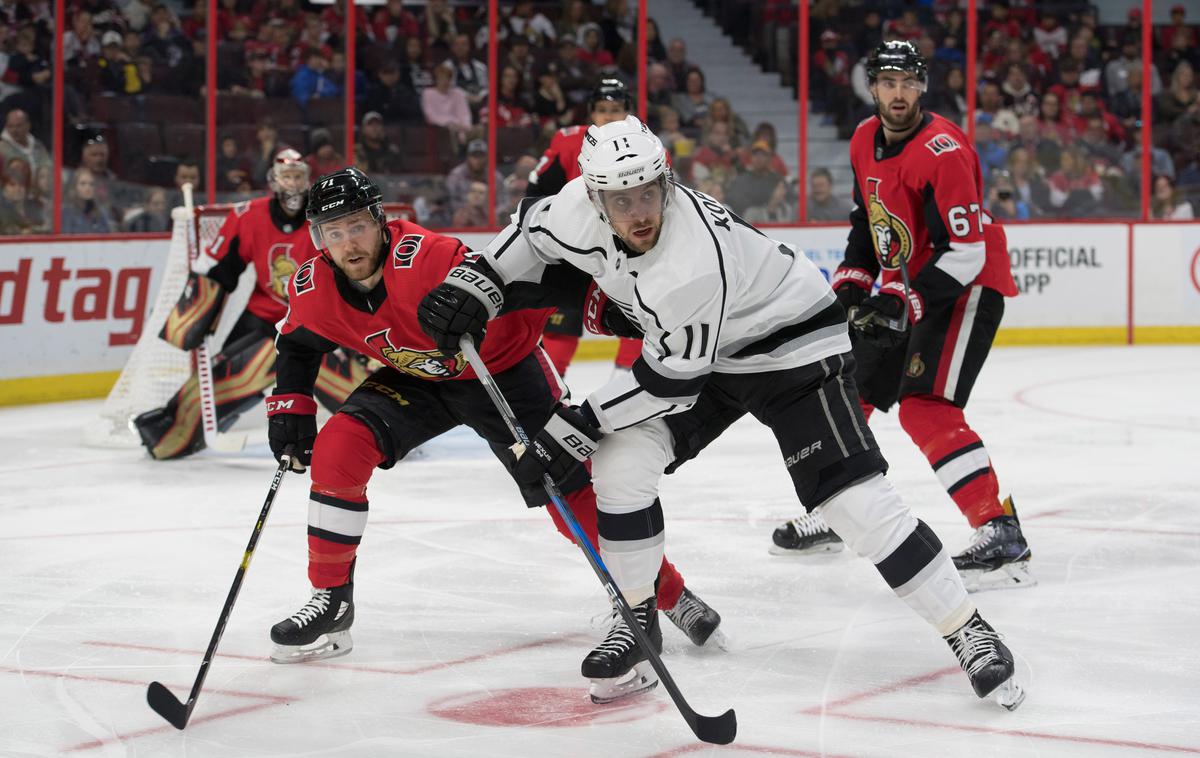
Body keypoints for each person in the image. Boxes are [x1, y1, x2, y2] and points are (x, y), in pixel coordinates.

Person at [417, 113, 1026, 711]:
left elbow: (672, 381)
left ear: (667, 181)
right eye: (620, 199)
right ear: (594, 194)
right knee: (620, 469)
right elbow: (526, 237)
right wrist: (478, 282)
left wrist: (576, 424)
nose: (638, 212)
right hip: (700, 353)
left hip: (789, 346)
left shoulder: (689, 260)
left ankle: (966, 628)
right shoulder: (574, 204)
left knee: (852, 502)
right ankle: (636, 617)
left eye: (648, 193)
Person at [265, 167, 723, 692]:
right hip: (418, 376)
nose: (348, 243)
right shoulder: (313, 284)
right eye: (334, 231)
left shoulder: (429, 256)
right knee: (338, 449)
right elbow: (298, 344)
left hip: (501, 369)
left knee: (567, 492)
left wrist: (474, 306)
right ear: (319, 240)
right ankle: (331, 599)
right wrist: (290, 407)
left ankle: (663, 596)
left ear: (380, 220)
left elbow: (512, 280)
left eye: (357, 226)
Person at [769, 41, 1032, 594]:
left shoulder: (944, 150)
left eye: (906, 82)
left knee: (925, 408)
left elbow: (966, 251)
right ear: (873, 88)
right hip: (910, 287)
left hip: (965, 288)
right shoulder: (865, 138)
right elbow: (871, 225)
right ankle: (840, 513)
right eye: (887, 82)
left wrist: (902, 300)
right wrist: (851, 281)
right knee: (847, 394)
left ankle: (999, 530)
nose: (897, 92)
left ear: (922, 88)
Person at [132, 149, 367, 460]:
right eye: (287, 176)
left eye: (299, 176)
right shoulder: (247, 216)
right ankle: (172, 430)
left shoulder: (326, 221)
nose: (293, 183)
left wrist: (360, 345)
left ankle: (381, 423)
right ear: (273, 180)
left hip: (314, 322)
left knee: (358, 389)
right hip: (262, 320)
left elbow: (351, 280)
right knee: (229, 374)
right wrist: (194, 316)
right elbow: (219, 271)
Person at [526, 78, 641, 376]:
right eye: (602, 109)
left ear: (628, 112)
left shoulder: (647, 144)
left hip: (627, 249)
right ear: (591, 112)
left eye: (616, 109)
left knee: (638, 314)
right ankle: (552, 392)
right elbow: (537, 189)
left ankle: (628, 385)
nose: (608, 116)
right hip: (573, 246)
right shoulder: (567, 140)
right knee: (561, 316)